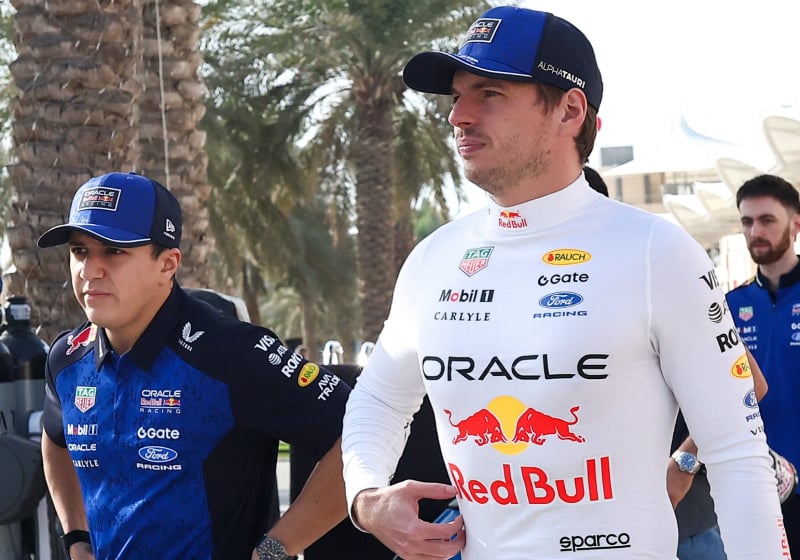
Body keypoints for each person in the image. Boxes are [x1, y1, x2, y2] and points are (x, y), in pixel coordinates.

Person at [340, 6, 789, 559]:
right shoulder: (434, 260)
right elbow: (380, 398)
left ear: (570, 110)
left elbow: (737, 453)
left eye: (489, 93)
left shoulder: (658, 253)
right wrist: (365, 498)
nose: (459, 116)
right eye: (457, 96)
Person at [37, 171, 351, 560]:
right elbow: (54, 439)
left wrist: (276, 549)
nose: (90, 270)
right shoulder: (67, 359)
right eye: (80, 251)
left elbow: (358, 430)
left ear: (167, 264)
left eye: (114, 251)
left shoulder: (233, 353)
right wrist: (76, 540)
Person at [726, 173, 800, 557]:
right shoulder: (726, 307)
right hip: (757, 487)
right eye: (747, 221)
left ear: (795, 224)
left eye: (767, 220)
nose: (756, 230)